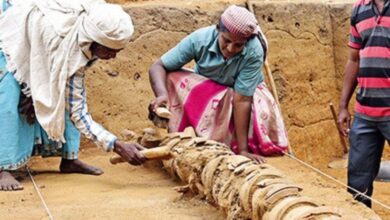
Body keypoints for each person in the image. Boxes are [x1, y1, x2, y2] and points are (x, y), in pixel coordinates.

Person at [0, 0, 146, 191]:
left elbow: (72, 100)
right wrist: (117, 146)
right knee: (8, 96)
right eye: (109, 50)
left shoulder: (89, 33)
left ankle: (69, 159)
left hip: (42, 43)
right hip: (15, 38)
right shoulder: (61, 40)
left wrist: (38, 96)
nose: (113, 57)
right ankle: (3, 168)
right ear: (94, 41)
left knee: (64, 97)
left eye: (117, 51)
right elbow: (34, 62)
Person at [149, 5, 288, 163]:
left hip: (243, 95)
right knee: (171, 76)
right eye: (226, 40)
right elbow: (158, 66)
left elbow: (242, 99)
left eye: (238, 45)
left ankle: (229, 141)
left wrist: (242, 150)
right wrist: (162, 95)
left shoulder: (254, 51)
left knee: (253, 106)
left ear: (246, 42)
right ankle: (184, 132)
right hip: (208, 91)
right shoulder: (199, 39)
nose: (230, 49)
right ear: (217, 30)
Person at [337, 0, 390, 208]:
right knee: (357, 186)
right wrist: (343, 106)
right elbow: (354, 60)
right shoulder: (359, 9)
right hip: (364, 115)